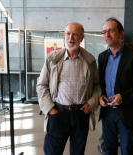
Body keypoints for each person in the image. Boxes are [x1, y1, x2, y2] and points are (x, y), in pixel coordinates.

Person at [36, 22, 101, 155]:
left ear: (82, 37)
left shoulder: (90, 61)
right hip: (58, 113)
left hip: (81, 114)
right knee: (52, 152)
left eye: (75, 34)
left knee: (78, 152)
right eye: (68, 33)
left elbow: (97, 85)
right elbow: (41, 85)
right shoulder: (52, 59)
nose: (71, 37)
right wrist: (50, 109)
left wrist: (92, 102)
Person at [98, 17, 133, 155]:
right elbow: (100, 83)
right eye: (104, 32)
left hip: (127, 111)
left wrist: (123, 97)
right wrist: (100, 96)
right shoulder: (102, 57)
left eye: (111, 31)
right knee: (108, 150)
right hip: (108, 112)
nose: (107, 35)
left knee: (127, 150)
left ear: (121, 33)